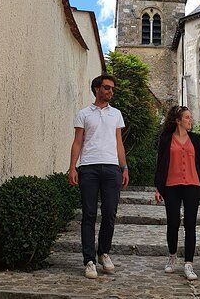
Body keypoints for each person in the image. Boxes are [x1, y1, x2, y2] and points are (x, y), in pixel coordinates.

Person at [69, 74, 129, 279]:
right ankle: (89, 260)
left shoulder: (116, 114)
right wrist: (72, 168)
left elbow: (119, 142)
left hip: (112, 169)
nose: (110, 92)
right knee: (89, 215)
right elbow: (77, 142)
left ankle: (104, 252)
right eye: (106, 88)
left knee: (110, 213)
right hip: (88, 168)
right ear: (96, 89)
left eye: (112, 89)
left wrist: (124, 167)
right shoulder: (83, 114)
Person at [154, 106, 200, 281]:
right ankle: (172, 256)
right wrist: (158, 187)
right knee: (172, 223)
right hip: (171, 185)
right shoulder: (166, 139)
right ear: (178, 120)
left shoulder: (195, 139)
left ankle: (189, 263)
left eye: (190, 117)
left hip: (192, 185)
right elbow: (160, 164)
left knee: (190, 224)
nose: (190, 120)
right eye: (186, 118)